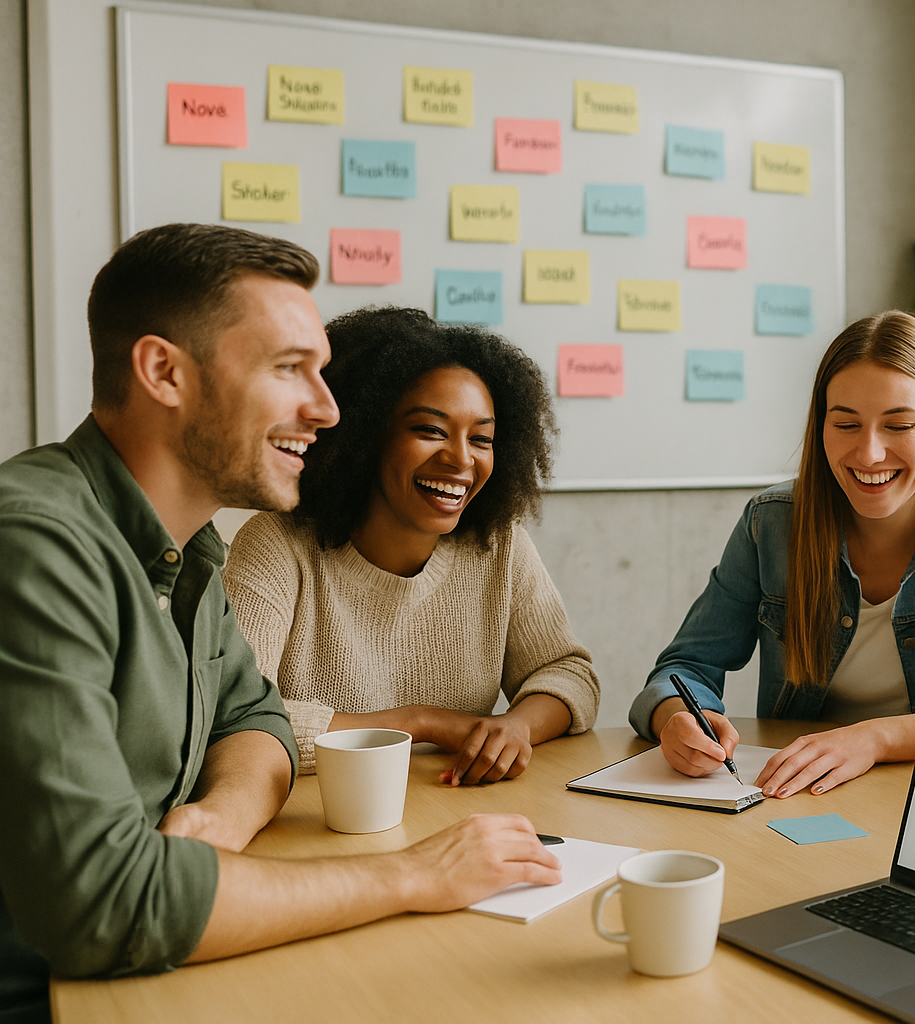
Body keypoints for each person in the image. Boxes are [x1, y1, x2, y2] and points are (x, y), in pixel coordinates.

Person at [0, 224, 561, 1024]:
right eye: (289, 369)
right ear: (164, 372)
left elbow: (254, 715)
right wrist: (410, 875)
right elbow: (106, 905)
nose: (328, 409)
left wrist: (224, 814)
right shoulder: (36, 546)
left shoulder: (185, 547)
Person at [628, 310, 915, 798]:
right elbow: (683, 668)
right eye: (846, 424)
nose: (870, 453)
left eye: (898, 425)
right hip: (795, 795)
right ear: (822, 427)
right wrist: (678, 719)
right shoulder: (771, 522)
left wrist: (875, 738)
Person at [224, 307, 599, 787]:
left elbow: (569, 674)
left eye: (481, 438)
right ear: (364, 436)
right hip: (315, 822)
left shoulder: (499, 546)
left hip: (455, 811)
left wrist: (516, 725)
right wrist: (420, 722)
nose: (460, 459)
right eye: (430, 431)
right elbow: (236, 714)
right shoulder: (277, 545)